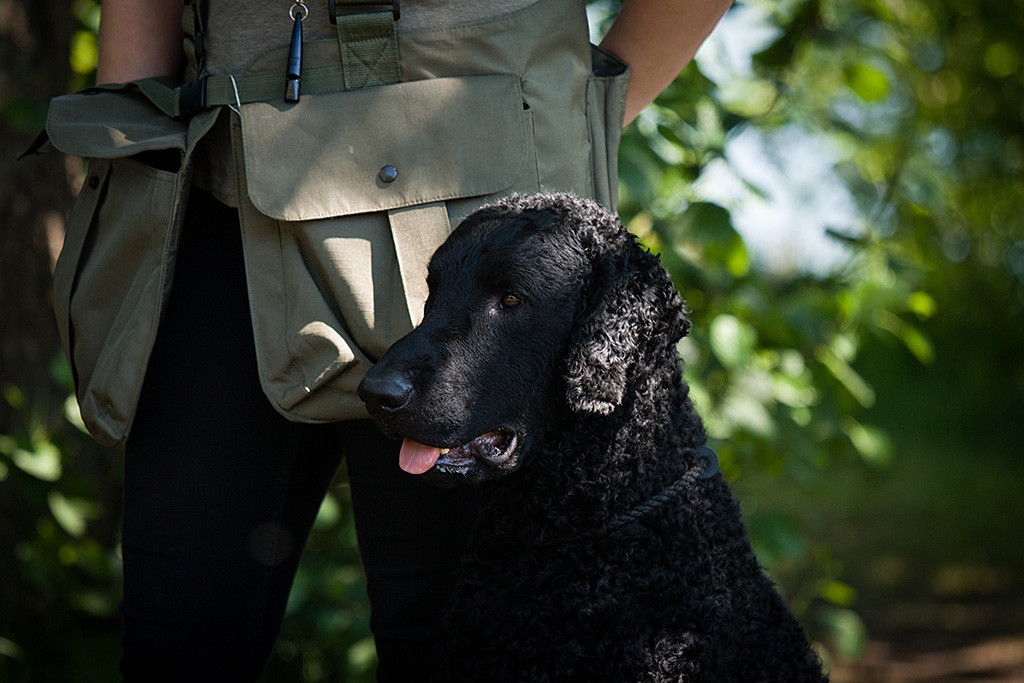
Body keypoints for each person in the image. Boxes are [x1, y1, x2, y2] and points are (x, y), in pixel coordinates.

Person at [61, 0, 732, 679]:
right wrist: (132, 145)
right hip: (215, 199)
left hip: (486, 228)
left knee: (466, 651)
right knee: (174, 644)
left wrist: (568, 126)